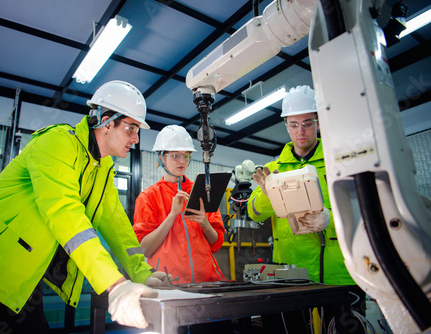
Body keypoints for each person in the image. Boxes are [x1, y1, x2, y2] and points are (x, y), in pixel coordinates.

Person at [0, 80, 170, 334]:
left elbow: (116, 223)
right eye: (131, 128)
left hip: (23, 275)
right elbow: (64, 212)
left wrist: (141, 272)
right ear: (107, 122)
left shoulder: (102, 167)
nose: (136, 138)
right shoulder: (57, 143)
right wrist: (115, 285)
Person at [247, 86, 365, 333]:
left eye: (308, 123)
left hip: (338, 272)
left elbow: (364, 208)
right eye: (293, 125)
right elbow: (253, 212)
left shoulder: (340, 162)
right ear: (286, 125)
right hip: (290, 273)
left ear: (319, 122)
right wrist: (269, 195)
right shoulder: (272, 168)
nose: (300, 132)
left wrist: (331, 218)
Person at [133, 125, 226, 284]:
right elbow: (145, 249)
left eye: (186, 155)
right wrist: (172, 216)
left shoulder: (203, 190)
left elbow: (216, 243)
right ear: (161, 157)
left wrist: (205, 224)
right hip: (168, 283)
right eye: (175, 155)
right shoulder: (148, 197)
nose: (182, 161)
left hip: (206, 283)